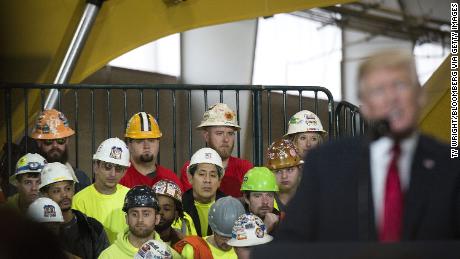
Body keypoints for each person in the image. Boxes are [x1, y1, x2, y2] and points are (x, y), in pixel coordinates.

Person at [276, 49, 460, 242]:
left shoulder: (450, 165)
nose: (391, 98)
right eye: (378, 90)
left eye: (400, 85)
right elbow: (292, 241)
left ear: (420, 96)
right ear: (366, 107)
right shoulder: (326, 164)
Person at [179, 103, 253, 197]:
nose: (226, 139)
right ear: (206, 136)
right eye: (219, 133)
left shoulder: (245, 168)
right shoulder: (191, 168)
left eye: (230, 133)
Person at [39, 162, 109, 259]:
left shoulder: (93, 228)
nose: (64, 195)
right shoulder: (37, 231)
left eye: (68, 188)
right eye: (56, 191)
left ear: (73, 189)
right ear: (45, 194)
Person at [72, 137, 130, 243]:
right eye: (107, 166)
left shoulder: (130, 197)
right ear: (96, 166)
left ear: (124, 172)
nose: (112, 174)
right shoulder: (79, 201)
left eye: (118, 168)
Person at [98, 185, 181, 259]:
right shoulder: (108, 256)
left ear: (157, 219)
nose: (140, 219)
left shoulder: (171, 256)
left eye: (146, 214)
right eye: (134, 214)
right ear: (127, 219)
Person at [30, 108, 91, 193]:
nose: (55, 146)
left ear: (67, 141)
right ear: (39, 142)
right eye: (49, 141)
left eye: (60, 140)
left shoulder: (81, 179)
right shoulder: (29, 180)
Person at [120, 112, 182, 190]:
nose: (146, 146)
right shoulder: (119, 177)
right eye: (140, 141)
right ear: (128, 144)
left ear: (158, 142)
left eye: (151, 140)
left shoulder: (171, 179)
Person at [175, 196, 245, 259]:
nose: (228, 242)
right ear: (212, 229)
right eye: (223, 237)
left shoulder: (247, 250)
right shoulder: (193, 250)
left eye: (233, 237)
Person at [182, 148, 226, 237]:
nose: (207, 180)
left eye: (213, 175)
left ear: (219, 181)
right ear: (190, 177)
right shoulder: (179, 207)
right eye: (201, 174)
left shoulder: (228, 207)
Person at [152, 180, 197, 247]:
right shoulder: (140, 237)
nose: (160, 212)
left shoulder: (185, 243)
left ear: (176, 213)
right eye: (156, 208)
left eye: (166, 209)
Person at [266, 138, 303, 211]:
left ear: (299, 169)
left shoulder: (311, 200)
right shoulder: (265, 203)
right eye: (278, 171)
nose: (284, 176)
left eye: (290, 169)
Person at [241, 167, 280, 233]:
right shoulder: (237, 221)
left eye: (269, 195)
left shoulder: (282, 220)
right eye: (258, 196)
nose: (265, 202)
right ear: (246, 198)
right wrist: (264, 229)